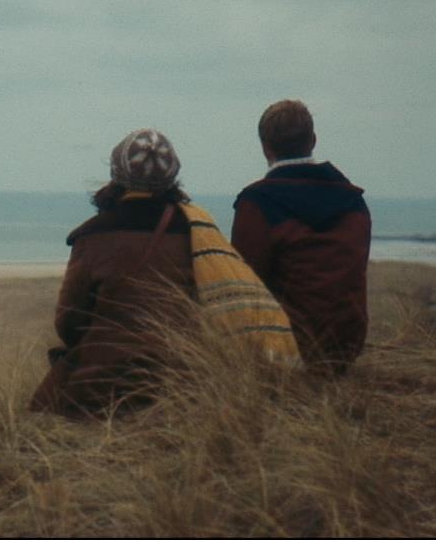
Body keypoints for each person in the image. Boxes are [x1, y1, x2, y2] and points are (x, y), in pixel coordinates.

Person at [31, 129, 299, 419]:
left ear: (116, 174)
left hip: (100, 390)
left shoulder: (91, 237)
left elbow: (69, 324)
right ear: (172, 178)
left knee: (41, 408)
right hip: (179, 385)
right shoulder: (197, 232)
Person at [231, 100, 372, 377]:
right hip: (346, 344)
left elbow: (245, 283)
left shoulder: (257, 203)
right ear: (313, 141)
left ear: (265, 147)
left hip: (286, 346)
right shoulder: (354, 202)